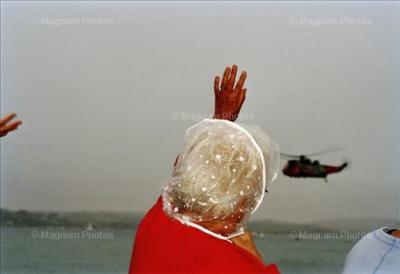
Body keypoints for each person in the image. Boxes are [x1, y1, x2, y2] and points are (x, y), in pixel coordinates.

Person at [129, 65, 281, 274]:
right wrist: (253, 256)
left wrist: (221, 118)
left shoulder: (157, 223)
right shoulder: (229, 264)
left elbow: (184, 171)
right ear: (239, 200)